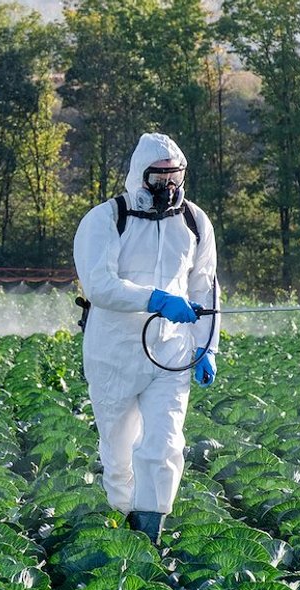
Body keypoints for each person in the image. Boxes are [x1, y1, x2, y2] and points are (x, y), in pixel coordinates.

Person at [72, 133, 220, 546]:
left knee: (165, 442)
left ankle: (151, 530)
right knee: (119, 454)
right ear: (141, 176)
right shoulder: (104, 220)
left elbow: (205, 288)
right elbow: (100, 286)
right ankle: (124, 519)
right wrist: (153, 299)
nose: (168, 187)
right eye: (159, 178)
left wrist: (206, 347)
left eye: (175, 177)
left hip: (170, 354)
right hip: (113, 354)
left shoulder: (194, 222)